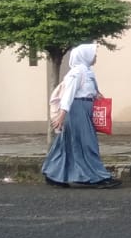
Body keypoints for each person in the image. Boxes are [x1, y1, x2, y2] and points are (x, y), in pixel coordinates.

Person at [42, 43, 119, 188]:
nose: (95, 56)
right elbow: (69, 94)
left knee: (67, 144)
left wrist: (96, 95)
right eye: (93, 54)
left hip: (83, 109)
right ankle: (96, 178)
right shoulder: (77, 72)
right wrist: (62, 114)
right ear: (85, 56)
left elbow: (86, 90)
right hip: (77, 110)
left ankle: (53, 175)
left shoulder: (87, 71)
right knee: (87, 143)